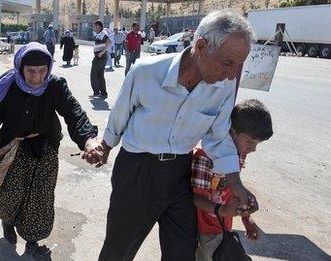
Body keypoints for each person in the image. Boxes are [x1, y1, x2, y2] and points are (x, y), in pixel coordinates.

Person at [83, 10, 258, 261]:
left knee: (182, 252)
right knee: (119, 250)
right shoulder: (146, 72)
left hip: (180, 173)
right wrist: (105, 147)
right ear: (200, 46)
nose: (232, 74)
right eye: (227, 63)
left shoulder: (224, 86)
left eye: (239, 65)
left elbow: (218, 139)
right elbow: (119, 117)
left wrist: (235, 183)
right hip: (137, 172)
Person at [0, 42, 102, 256]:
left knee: (40, 197)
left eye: (43, 71)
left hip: (45, 146)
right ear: (20, 68)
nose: (37, 78)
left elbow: (73, 112)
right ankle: (8, 221)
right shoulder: (4, 86)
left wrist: (88, 139)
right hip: (11, 146)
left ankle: (32, 237)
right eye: (31, 71)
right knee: (8, 192)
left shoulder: (54, 85)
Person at [192, 99, 273, 261]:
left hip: (223, 226)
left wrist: (246, 216)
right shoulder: (205, 157)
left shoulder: (239, 155)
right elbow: (196, 198)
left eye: (257, 144)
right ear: (231, 131)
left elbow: (230, 190)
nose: (253, 149)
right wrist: (221, 211)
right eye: (249, 141)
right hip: (202, 230)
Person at [90, 20, 110, 99]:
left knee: (94, 74)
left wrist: (102, 51)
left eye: (94, 26)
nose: (94, 27)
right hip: (100, 57)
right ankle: (103, 93)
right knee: (100, 75)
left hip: (100, 57)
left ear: (98, 26)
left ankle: (96, 92)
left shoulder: (103, 33)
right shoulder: (99, 34)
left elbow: (109, 41)